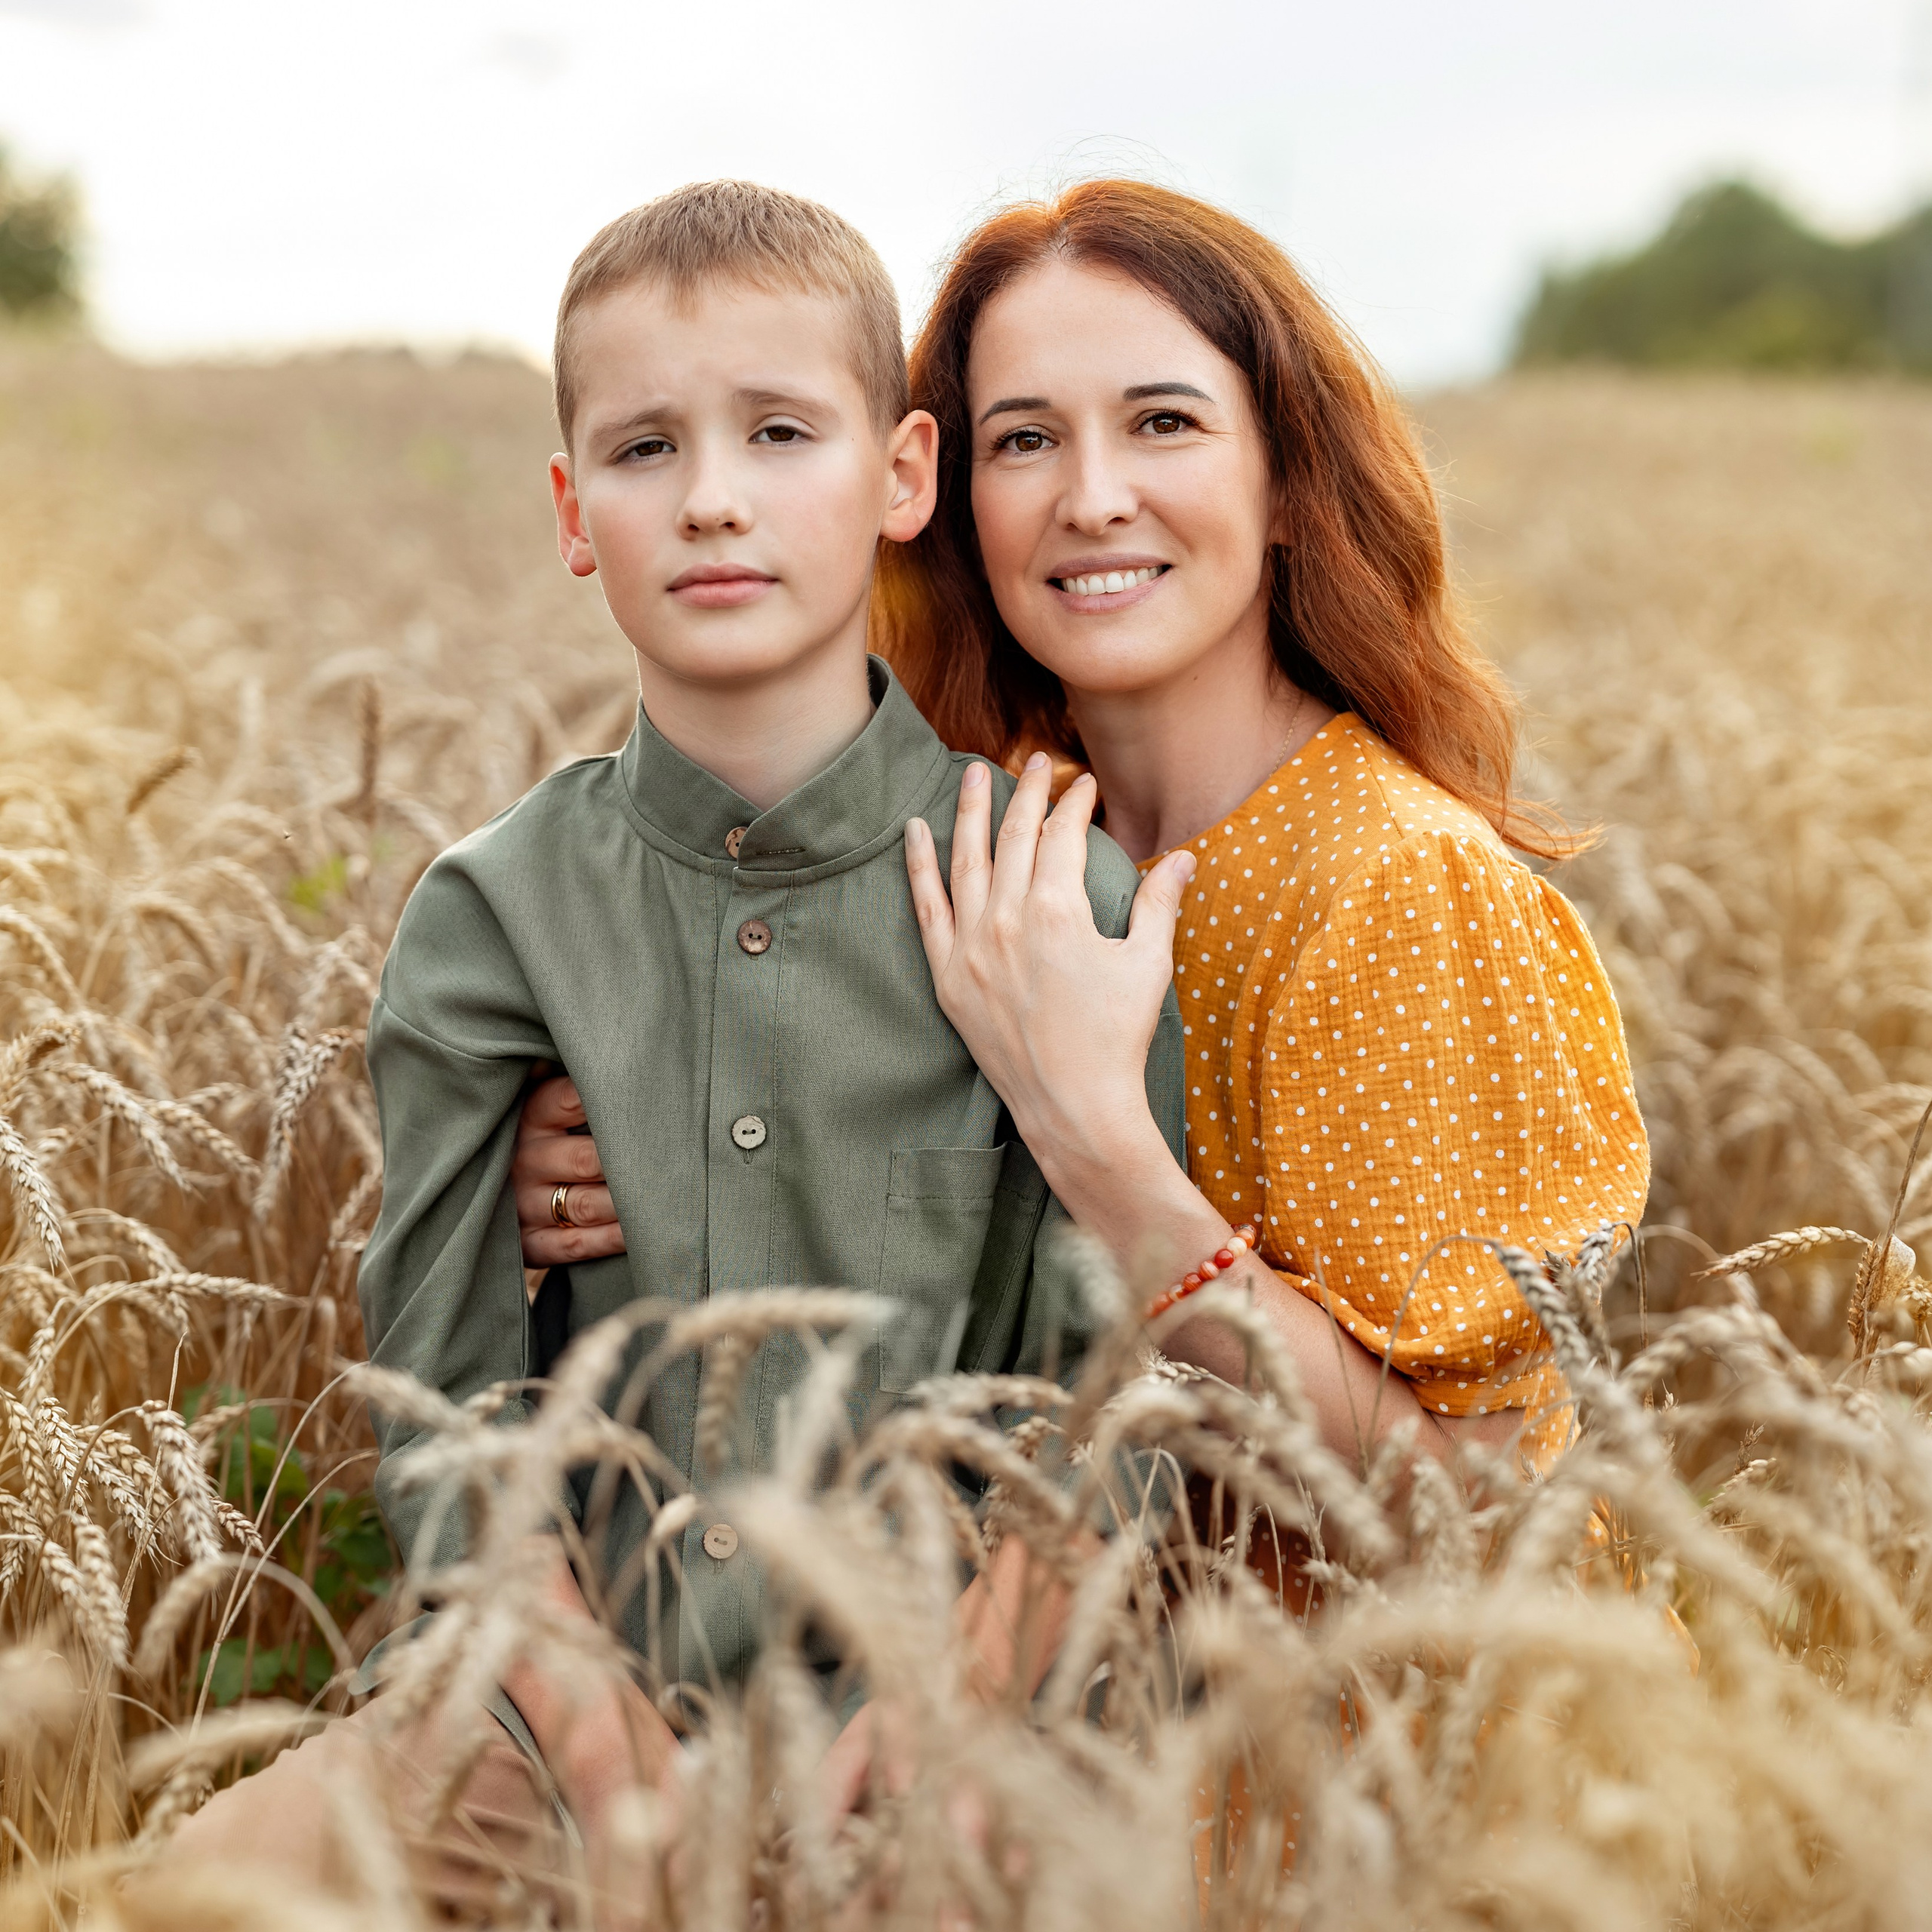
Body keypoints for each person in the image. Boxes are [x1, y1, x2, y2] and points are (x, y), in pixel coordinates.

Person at [159, 180, 1185, 1907]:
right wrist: (591, 1734)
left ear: (900, 476)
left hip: (945, 1728)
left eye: (778, 432)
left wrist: (947, 1704)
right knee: (192, 1887)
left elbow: (1110, 1401)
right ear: (575, 510)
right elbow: (446, 1404)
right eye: (645, 449)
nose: (711, 496)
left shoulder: (1043, 890)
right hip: (551, 1715)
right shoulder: (492, 918)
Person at [516, 177, 1650, 1483]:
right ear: (943, 491)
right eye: (1025, 440)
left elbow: (1484, 1493)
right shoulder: (987, 838)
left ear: (1288, 481)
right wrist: (588, 1156)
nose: (1094, 498)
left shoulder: (1395, 887)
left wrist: (1101, 1152)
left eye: (1163, 422)